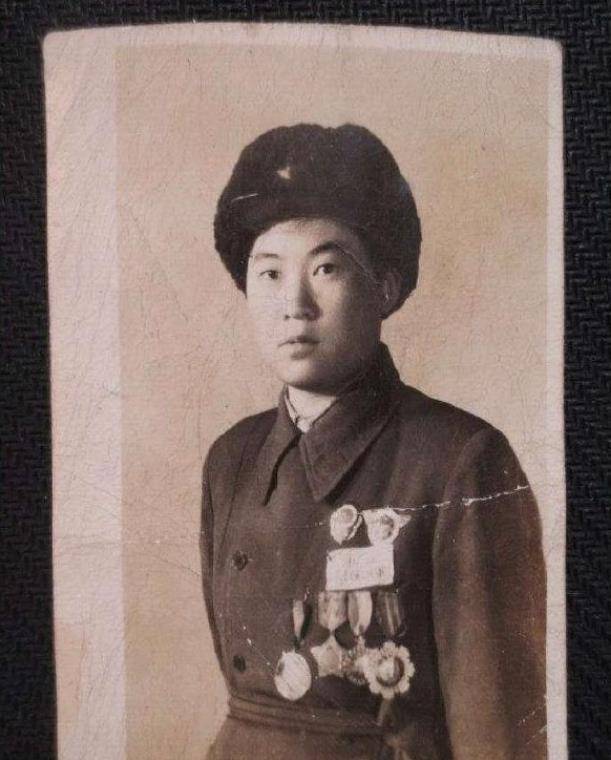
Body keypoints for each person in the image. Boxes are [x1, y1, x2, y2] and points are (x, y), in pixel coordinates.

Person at [200, 123, 547, 760]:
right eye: (269, 272)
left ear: (384, 286)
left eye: (326, 268)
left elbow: (498, 733)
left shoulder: (461, 461)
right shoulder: (232, 460)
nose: (294, 304)